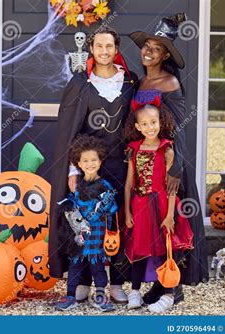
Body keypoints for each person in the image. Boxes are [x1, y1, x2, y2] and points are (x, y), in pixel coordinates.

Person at [49, 26, 138, 304]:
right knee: (86, 224)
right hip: (89, 167)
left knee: (118, 222)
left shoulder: (129, 81)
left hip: (121, 165)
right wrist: (74, 169)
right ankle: (85, 280)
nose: (104, 51)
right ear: (91, 49)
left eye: (109, 46)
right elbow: (70, 130)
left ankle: (117, 283)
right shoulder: (80, 83)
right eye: (99, 46)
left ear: (116, 48)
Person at [128, 13, 209, 305]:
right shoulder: (139, 82)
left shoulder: (169, 82)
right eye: (146, 46)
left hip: (167, 164)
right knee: (149, 225)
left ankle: (174, 287)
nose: (148, 51)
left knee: (169, 226)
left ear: (165, 55)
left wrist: (175, 168)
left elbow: (179, 130)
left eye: (156, 48)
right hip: (145, 163)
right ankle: (158, 284)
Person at [123, 103, 193, 313]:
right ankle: (134, 292)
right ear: (137, 126)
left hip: (162, 205)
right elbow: (129, 183)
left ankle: (169, 295)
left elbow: (171, 187)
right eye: (144, 124)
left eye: (153, 122)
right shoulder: (133, 149)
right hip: (139, 206)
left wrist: (170, 215)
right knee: (138, 249)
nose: (150, 127)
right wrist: (127, 211)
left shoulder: (167, 149)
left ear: (160, 123)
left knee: (165, 249)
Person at [56, 135, 118, 312]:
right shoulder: (77, 186)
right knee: (74, 266)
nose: (90, 164)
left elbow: (112, 208)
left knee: (98, 267)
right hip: (79, 236)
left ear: (100, 161)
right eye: (85, 161)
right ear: (79, 164)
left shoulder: (105, 186)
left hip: (97, 235)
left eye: (93, 160)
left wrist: (101, 209)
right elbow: (73, 207)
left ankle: (100, 296)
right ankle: (70, 297)